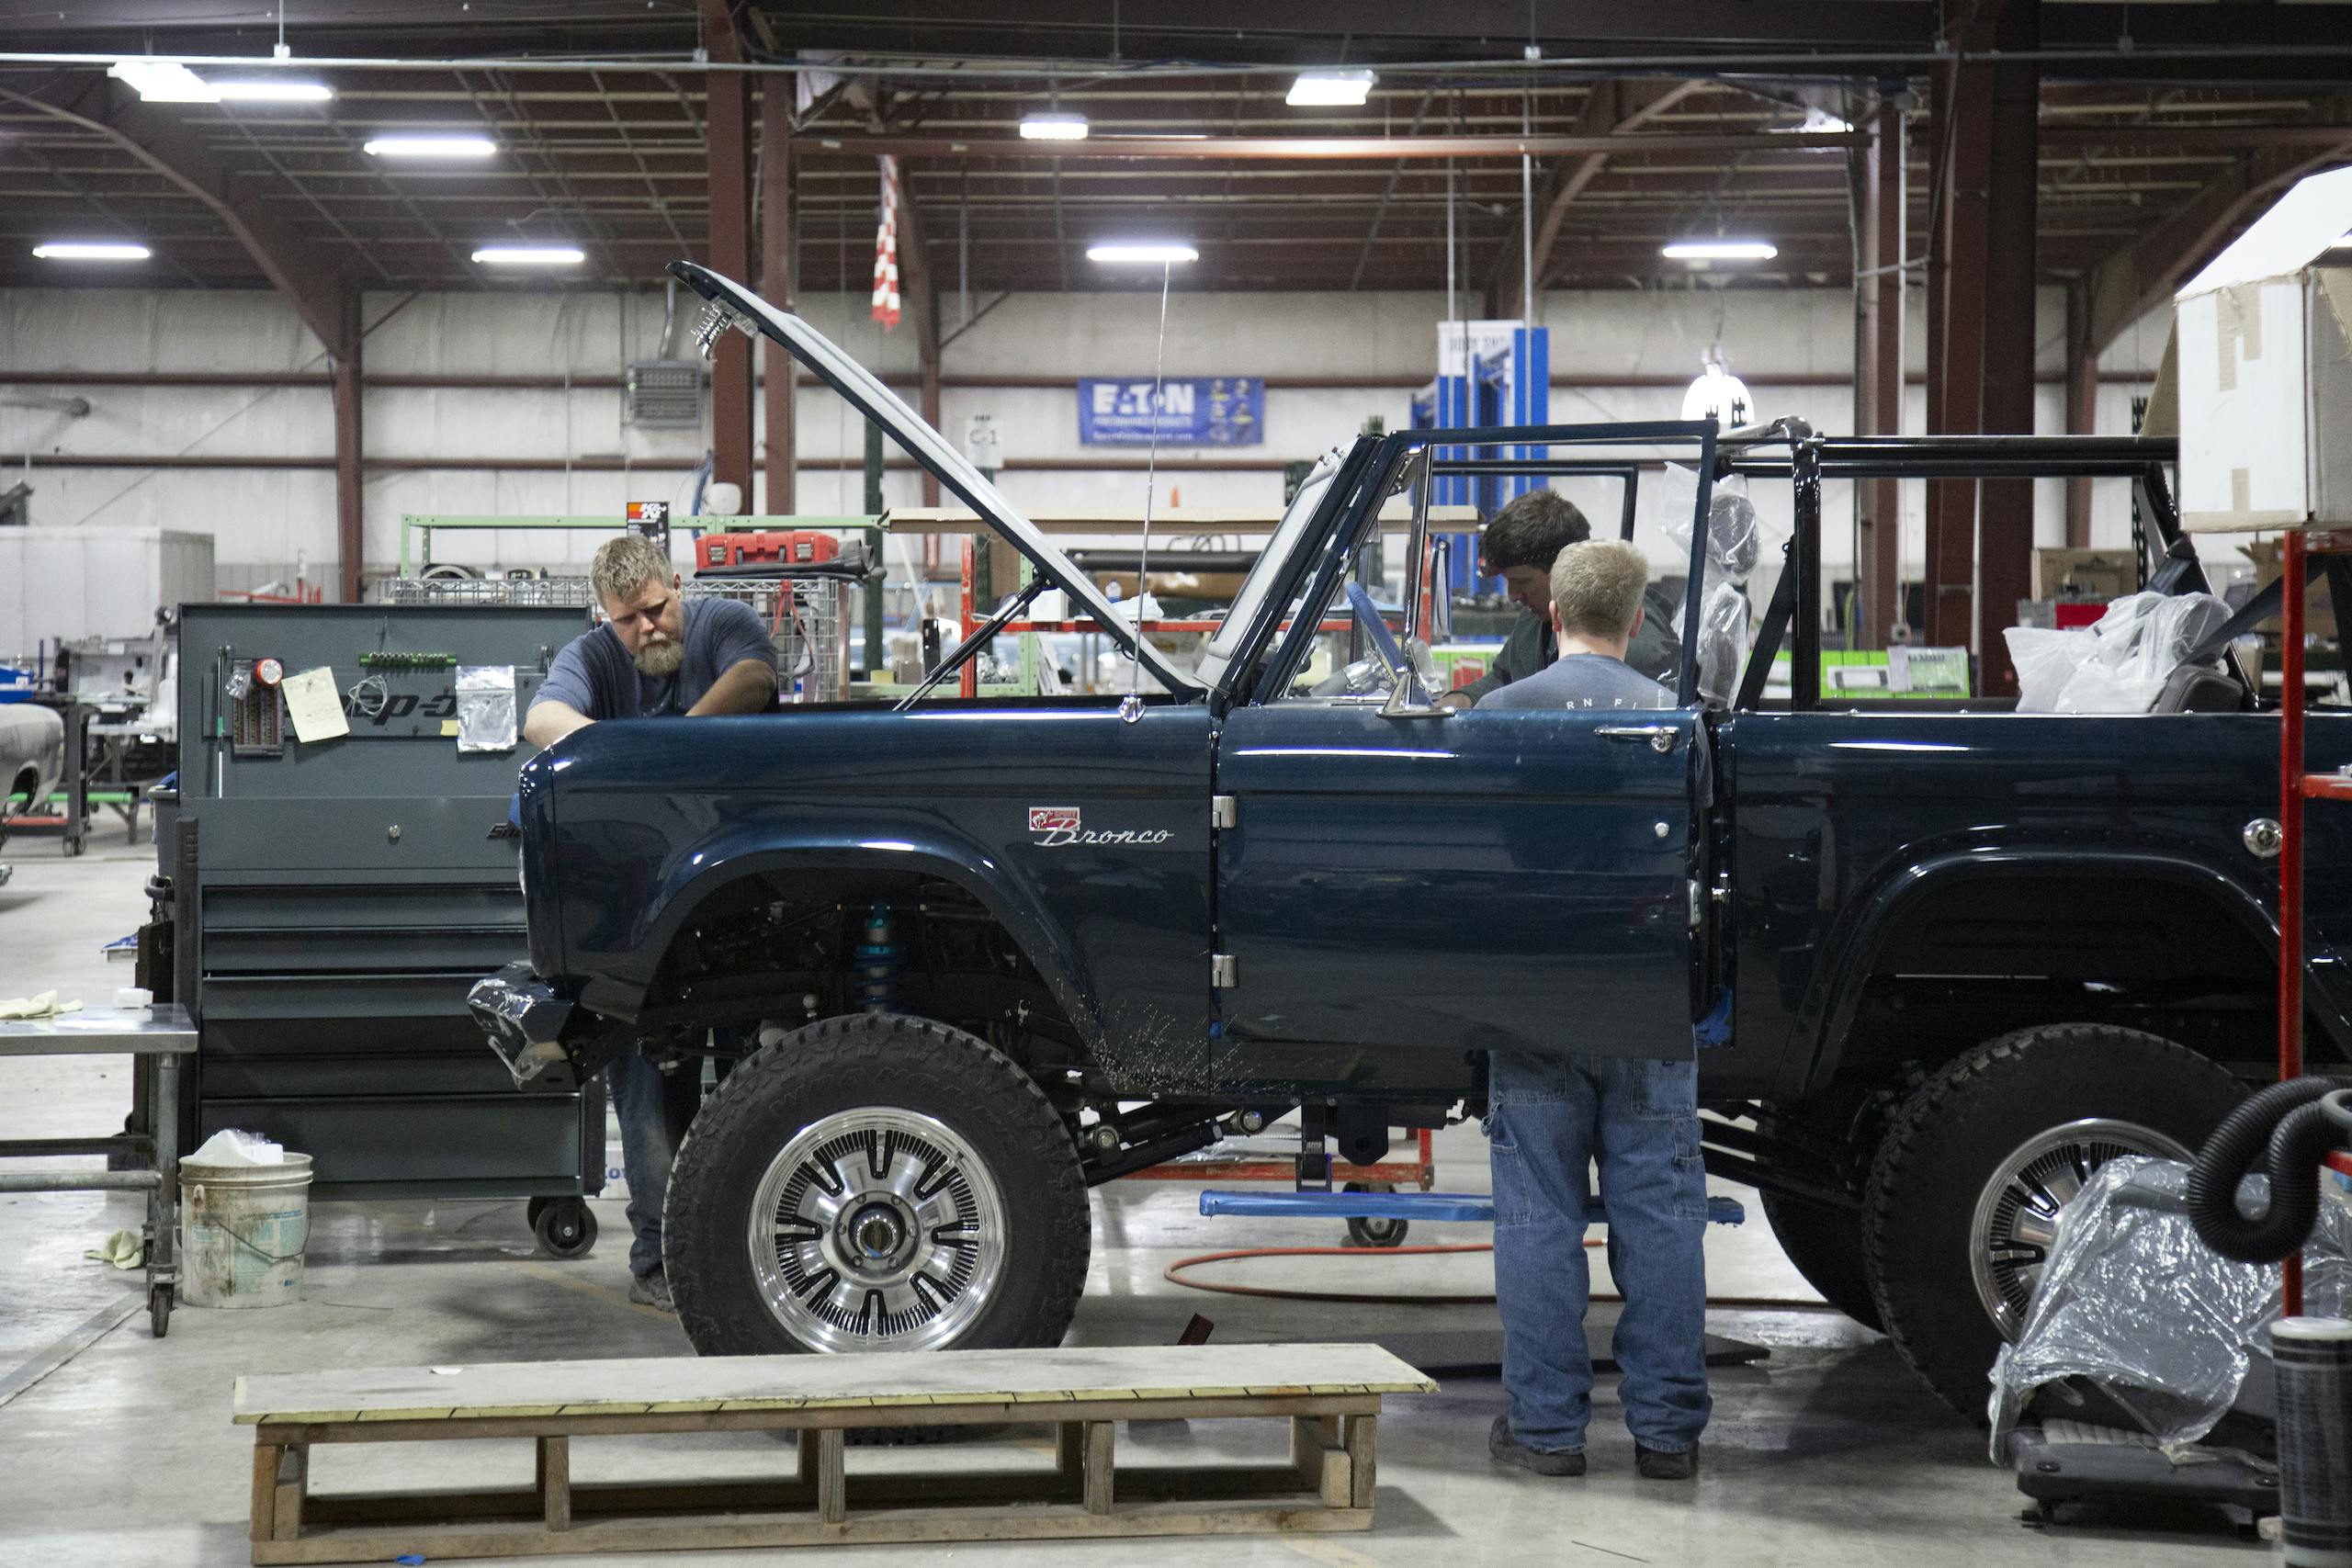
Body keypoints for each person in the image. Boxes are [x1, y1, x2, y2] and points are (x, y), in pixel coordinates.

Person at [1475, 539, 1710, 1478]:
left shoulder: (1495, 717)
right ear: (1633, 614)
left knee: (1537, 1214)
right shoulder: (1676, 723)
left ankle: (1546, 1434)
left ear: (1553, 612)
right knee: (1659, 1214)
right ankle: (1665, 1438)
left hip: (1534, 999)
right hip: (1648, 997)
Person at [525, 533, 781, 1313]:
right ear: (607, 617)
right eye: (628, 619)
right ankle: (659, 1261)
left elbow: (757, 677)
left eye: (656, 608)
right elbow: (543, 719)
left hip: (746, 914)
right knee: (645, 1089)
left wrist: (667, 744)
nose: (648, 629)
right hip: (644, 925)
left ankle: (749, 1253)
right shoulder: (598, 658)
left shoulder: (719, 623)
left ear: (679, 585)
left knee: (750, 1080)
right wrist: (621, 748)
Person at [1440, 489, 1680, 710]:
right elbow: (1505, 678)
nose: (1512, 595)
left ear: (1564, 568)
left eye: (1523, 582)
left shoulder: (1626, 638)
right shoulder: (1534, 619)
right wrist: (1463, 699)